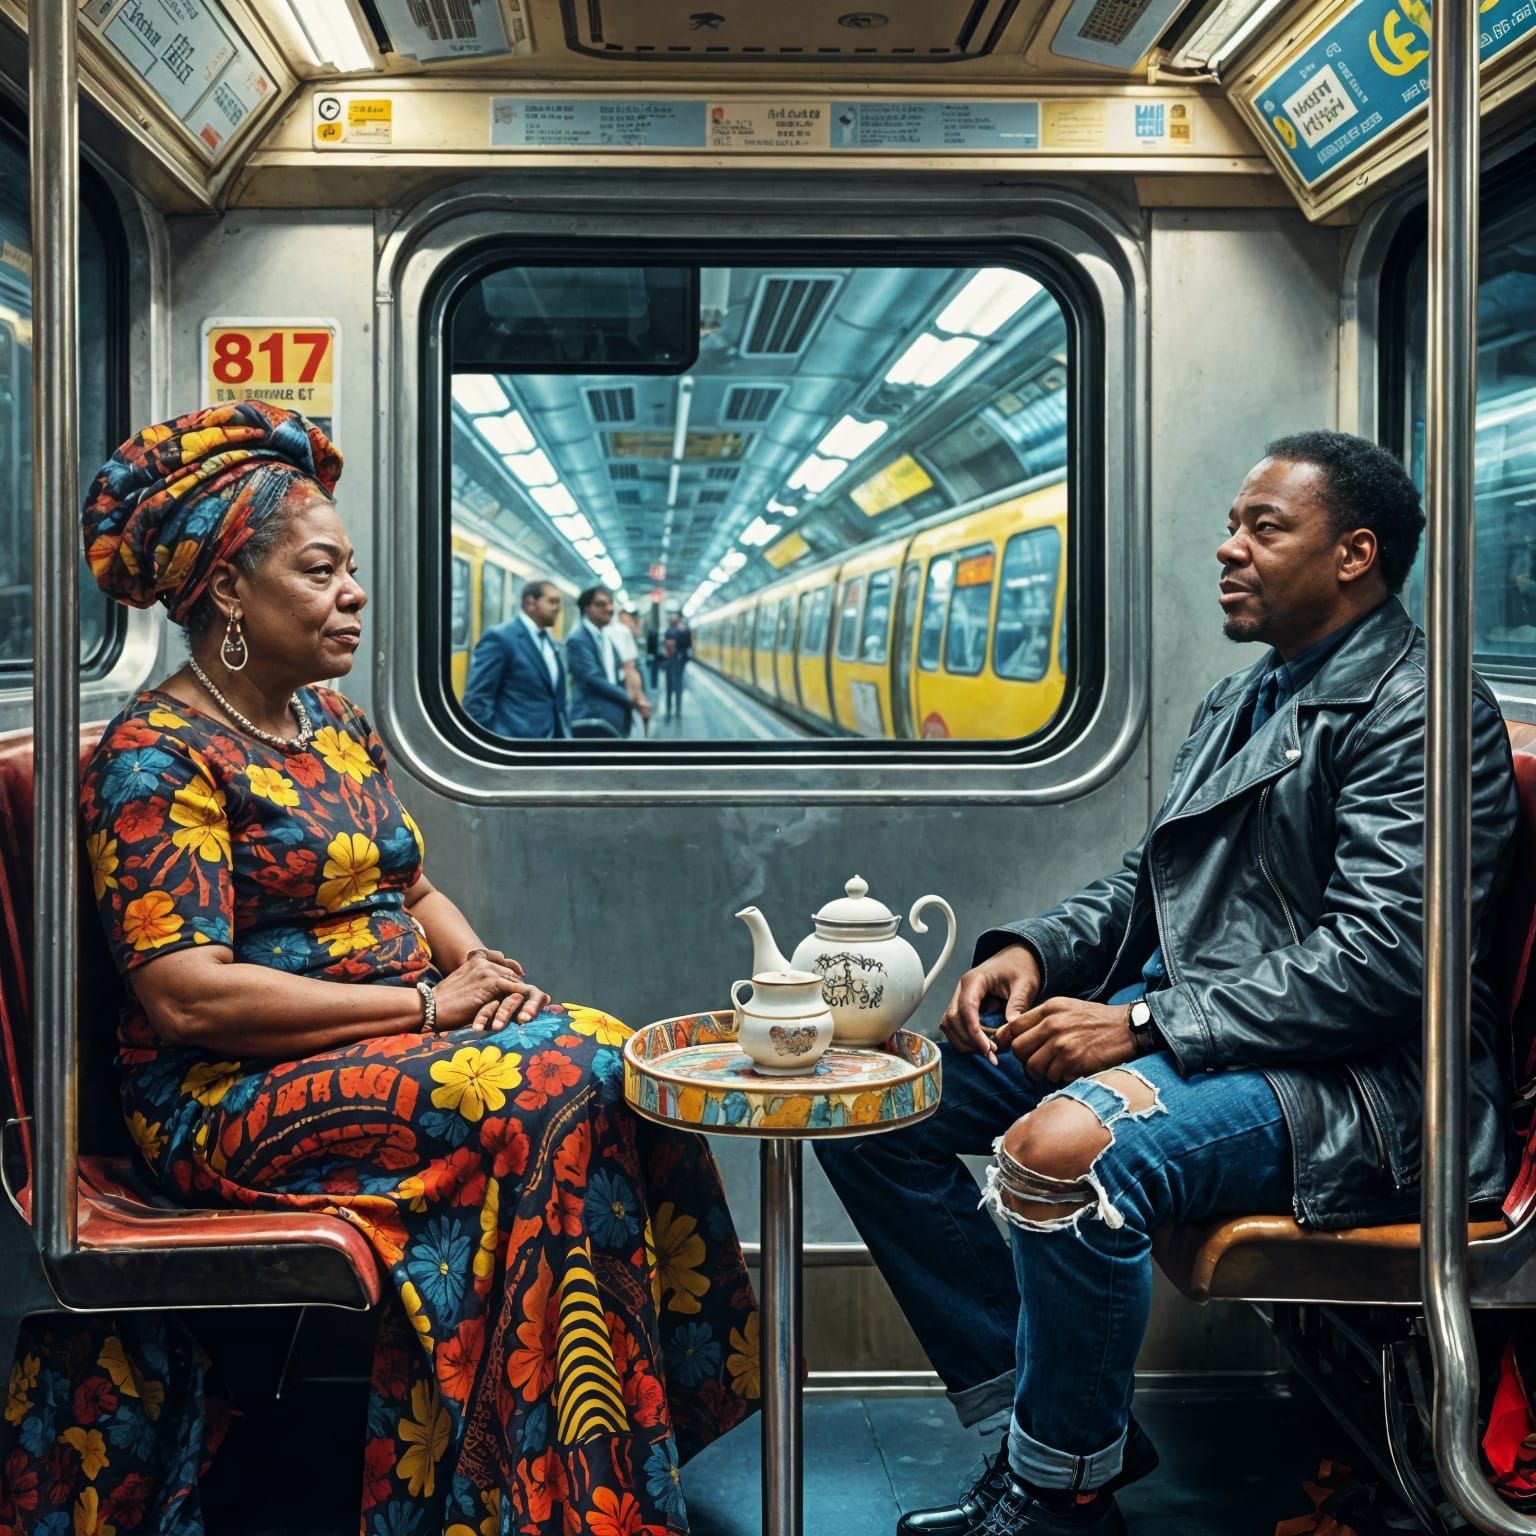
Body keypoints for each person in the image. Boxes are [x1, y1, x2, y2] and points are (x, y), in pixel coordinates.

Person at [26, 402, 757, 1535]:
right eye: (320, 572)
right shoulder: (153, 759)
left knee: (613, 1055)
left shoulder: (332, 726)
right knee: (544, 1098)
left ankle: (617, 1455)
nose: (353, 595)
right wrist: (425, 1003)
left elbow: (410, 888)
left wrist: (483, 968)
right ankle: (545, 1498)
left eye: (349, 570)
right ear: (228, 589)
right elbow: (186, 995)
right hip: (227, 1096)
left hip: (382, 1042)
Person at [816, 431, 1519, 1536]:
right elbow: (1152, 885)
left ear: (1355, 555)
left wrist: (1142, 1023)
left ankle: (1061, 1497)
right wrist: (1037, 952)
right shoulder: (1246, 701)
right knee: (867, 1105)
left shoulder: (1420, 710)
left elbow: (1389, 961)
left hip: (1367, 1087)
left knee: (1063, 1154)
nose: (1229, 548)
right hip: (1228, 1042)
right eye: (1233, 525)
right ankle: (1053, 1428)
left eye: (1264, 528)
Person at [460, 578, 571, 739]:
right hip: (515, 744)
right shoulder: (501, 638)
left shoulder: (548, 640)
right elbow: (477, 699)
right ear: (530, 603)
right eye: (552, 602)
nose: (557, 609)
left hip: (550, 741)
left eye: (559, 603)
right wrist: (494, 741)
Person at [567, 586, 646, 737]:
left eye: (610, 603)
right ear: (587, 608)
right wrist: (629, 698)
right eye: (601, 604)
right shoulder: (578, 639)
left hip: (611, 716)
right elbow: (593, 678)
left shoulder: (604, 637)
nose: (609, 608)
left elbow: (621, 671)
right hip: (592, 719)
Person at [610, 608, 651, 736]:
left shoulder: (609, 631)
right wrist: (640, 698)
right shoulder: (622, 632)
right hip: (627, 691)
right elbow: (629, 669)